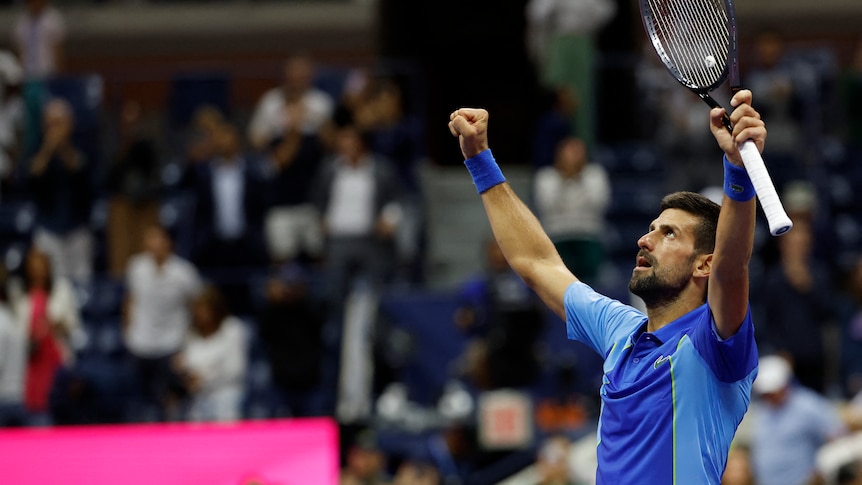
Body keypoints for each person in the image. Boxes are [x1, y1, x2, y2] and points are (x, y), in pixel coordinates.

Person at [447, 89, 765, 482]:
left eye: (668, 234)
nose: (644, 240)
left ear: (704, 265)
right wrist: (480, 159)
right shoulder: (620, 330)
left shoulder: (713, 345)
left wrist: (737, 168)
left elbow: (732, 268)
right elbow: (537, 263)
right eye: (650, 229)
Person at [122, 223, 203, 422]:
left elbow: (198, 305)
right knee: (144, 403)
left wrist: (189, 341)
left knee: (170, 402)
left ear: (168, 242)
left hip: (171, 345)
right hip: (140, 345)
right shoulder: (136, 267)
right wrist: (128, 332)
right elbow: (130, 300)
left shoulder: (184, 273)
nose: (152, 243)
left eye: (157, 238)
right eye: (149, 238)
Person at [8, 245, 83, 426]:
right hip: (31, 365)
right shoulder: (19, 296)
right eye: (34, 266)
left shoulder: (62, 290)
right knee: (37, 419)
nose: (38, 271)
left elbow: (75, 328)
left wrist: (55, 325)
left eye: (42, 265)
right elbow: (16, 333)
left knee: (61, 418)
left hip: (57, 365)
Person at [25, 97, 96, 285]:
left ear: (70, 123)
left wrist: (63, 146)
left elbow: (81, 170)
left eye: (60, 123)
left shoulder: (83, 145)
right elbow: (32, 174)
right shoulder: (36, 148)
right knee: (52, 285)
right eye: (51, 123)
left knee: (82, 283)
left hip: (77, 227)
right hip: (47, 227)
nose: (55, 129)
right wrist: (49, 147)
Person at [746, 354, 847, 485]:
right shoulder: (763, 410)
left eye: (773, 391)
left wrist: (821, 472)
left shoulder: (808, 405)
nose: (769, 396)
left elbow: (839, 437)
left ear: (785, 384)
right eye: (765, 393)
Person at [533, 135, 610, 285]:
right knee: (559, 282)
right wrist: (564, 179)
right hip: (557, 236)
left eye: (577, 153)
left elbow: (598, 204)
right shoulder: (546, 177)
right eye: (569, 153)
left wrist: (578, 179)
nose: (572, 158)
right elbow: (547, 205)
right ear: (559, 155)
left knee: (591, 284)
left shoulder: (595, 175)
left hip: (588, 235)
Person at [172, 284, 248, 423]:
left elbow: (235, 370)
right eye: (197, 309)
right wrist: (184, 371)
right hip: (198, 399)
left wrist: (204, 379)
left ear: (216, 309)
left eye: (204, 309)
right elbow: (186, 365)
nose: (200, 314)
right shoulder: (190, 333)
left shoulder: (232, 329)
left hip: (227, 396)